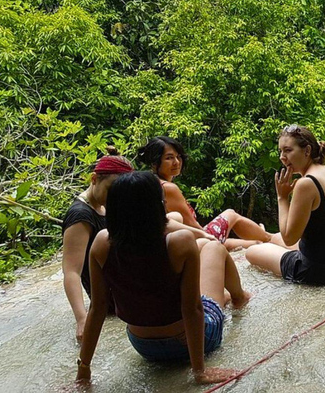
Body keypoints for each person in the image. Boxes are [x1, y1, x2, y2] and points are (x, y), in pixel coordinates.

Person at [75, 172, 250, 385]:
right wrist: (199, 371)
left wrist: (83, 370)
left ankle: (230, 297)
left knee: (206, 254)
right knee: (214, 247)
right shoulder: (180, 242)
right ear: (158, 205)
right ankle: (240, 297)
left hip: (143, 346)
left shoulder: (102, 243)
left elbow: (97, 307)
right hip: (187, 342)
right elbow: (192, 308)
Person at [246, 125, 325, 285]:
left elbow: (289, 238)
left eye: (288, 150)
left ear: (307, 151)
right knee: (274, 238)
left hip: (319, 269)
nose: (282, 157)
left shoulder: (305, 184)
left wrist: (282, 197)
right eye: (281, 151)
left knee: (252, 252)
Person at [137, 136, 271, 250]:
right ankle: (268, 237)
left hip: (183, 239)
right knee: (230, 214)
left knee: (253, 244)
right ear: (155, 162)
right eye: (169, 158)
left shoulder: (152, 183)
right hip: (194, 238)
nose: (176, 162)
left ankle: (259, 239)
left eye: (178, 157)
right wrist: (207, 236)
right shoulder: (168, 187)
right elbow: (192, 225)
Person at [61, 147, 134, 343]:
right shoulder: (80, 215)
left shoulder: (104, 206)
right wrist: (82, 319)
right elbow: (71, 271)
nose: (116, 197)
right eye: (111, 189)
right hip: (112, 298)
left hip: (124, 285)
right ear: (94, 179)